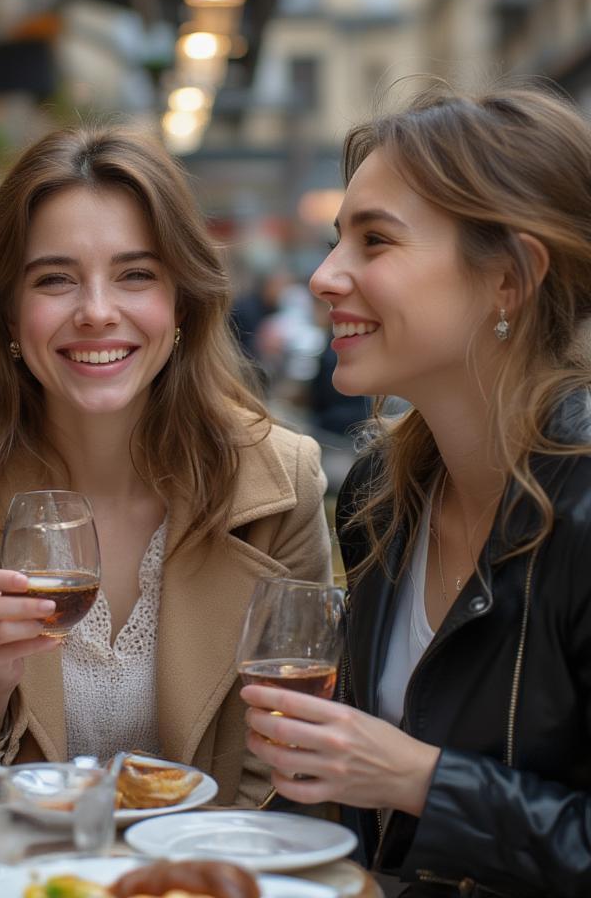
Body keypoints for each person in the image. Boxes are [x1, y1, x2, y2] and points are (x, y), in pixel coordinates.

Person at [0, 123, 331, 803]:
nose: (96, 312)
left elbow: (293, 775)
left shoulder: (280, 482)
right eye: (55, 279)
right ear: (7, 312)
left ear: (181, 301)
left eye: (135, 275)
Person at [241, 85, 591, 897]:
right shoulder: (382, 495)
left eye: (375, 241)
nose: (326, 276)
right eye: (338, 241)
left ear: (510, 277)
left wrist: (424, 781)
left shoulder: (582, 507)